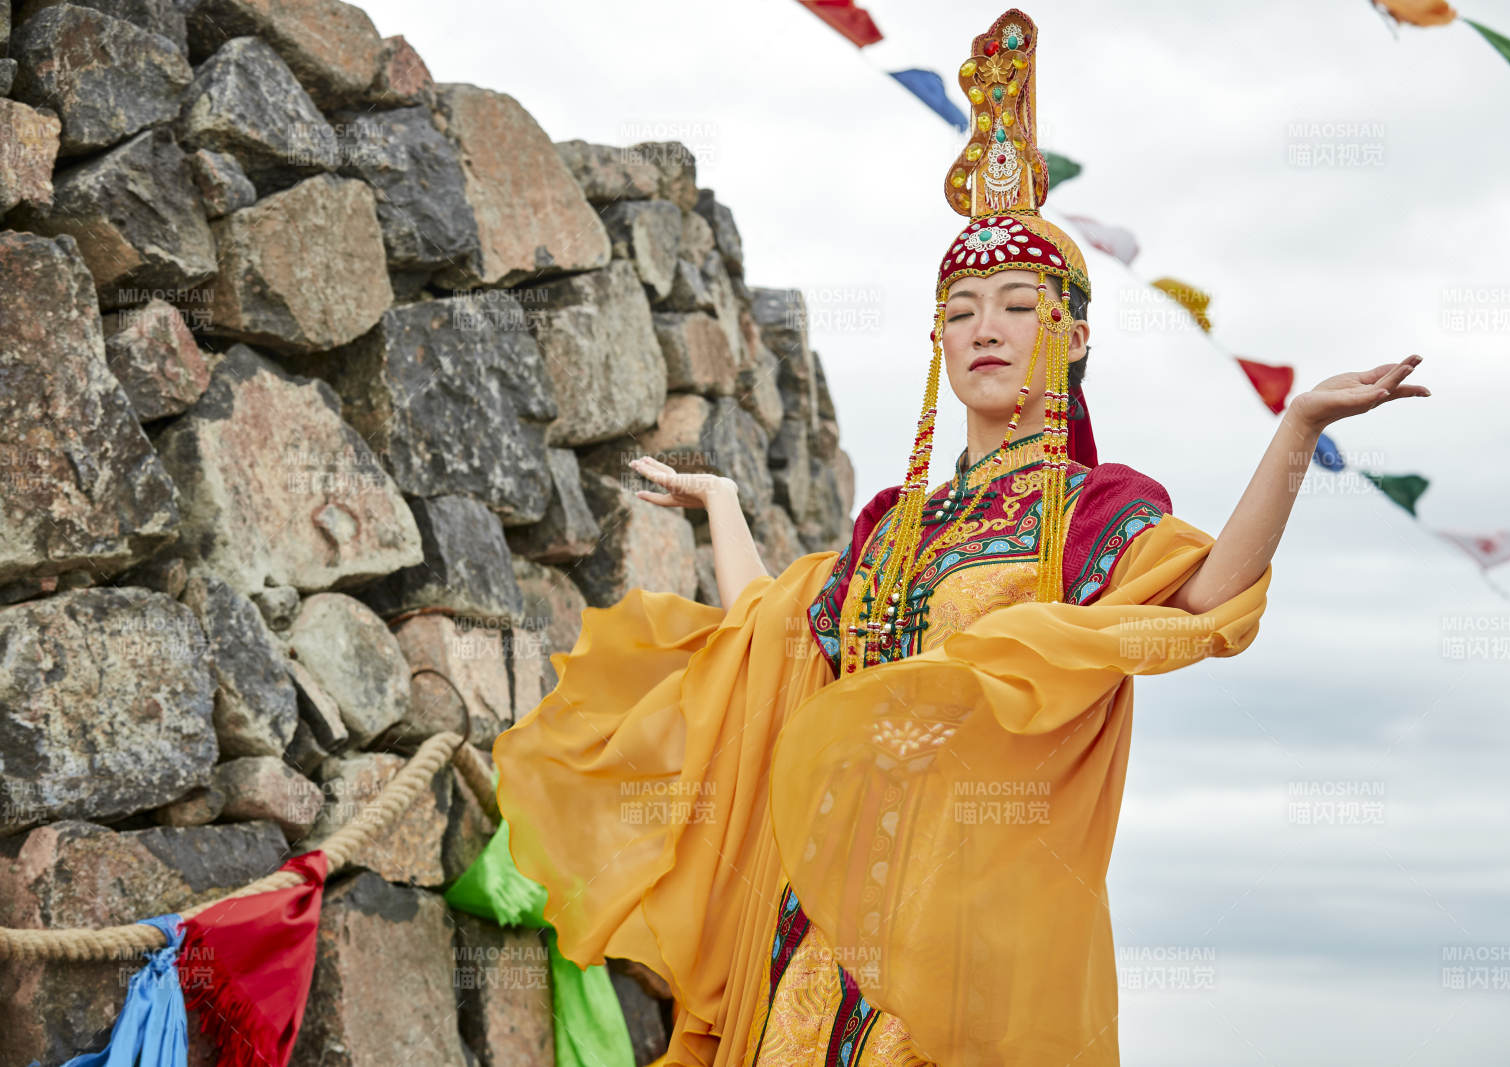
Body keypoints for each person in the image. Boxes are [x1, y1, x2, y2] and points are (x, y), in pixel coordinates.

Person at [493, 8, 1429, 1065]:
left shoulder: (1088, 512)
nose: (986, 326)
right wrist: (724, 508)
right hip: (825, 925)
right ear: (939, 339)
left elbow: (1208, 600)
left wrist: (1295, 430)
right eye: (963, 308)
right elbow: (775, 638)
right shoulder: (899, 527)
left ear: (1072, 334)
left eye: (1017, 304)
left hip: (973, 928)